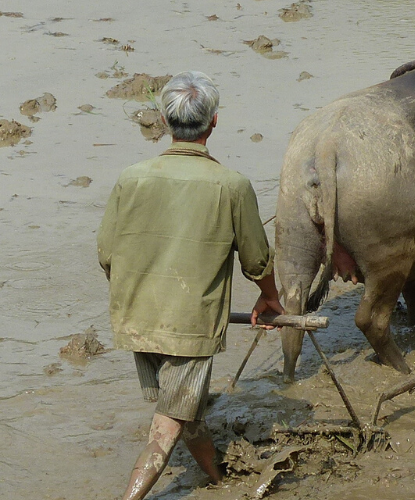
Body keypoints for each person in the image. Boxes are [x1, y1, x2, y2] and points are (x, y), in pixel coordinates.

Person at [96, 71, 284, 499]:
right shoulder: (231, 185)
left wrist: (137, 293)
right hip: (190, 325)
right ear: (213, 123)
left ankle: (218, 480)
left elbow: (106, 254)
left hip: (137, 318)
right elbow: (256, 260)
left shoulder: (132, 177)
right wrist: (270, 299)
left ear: (163, 119)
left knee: (186, 410)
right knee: (166, 427)